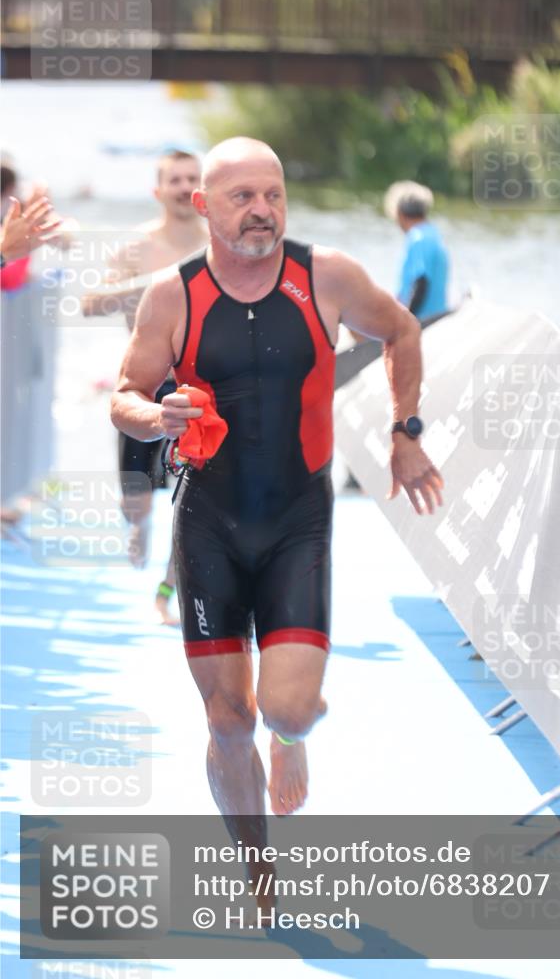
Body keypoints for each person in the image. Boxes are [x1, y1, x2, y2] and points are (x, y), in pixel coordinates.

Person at [110, 137, 444, 820]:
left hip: (297, 520)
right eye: (243, 197)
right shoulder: (172, 295)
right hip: (208, 521)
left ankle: (291, 738)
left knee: (287, 709)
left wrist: (404, 432)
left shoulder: (328, 276)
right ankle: (256, 864)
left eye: (274, 195)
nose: (262, 210)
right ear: (204, 206)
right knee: (229, 721)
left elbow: (402, 330)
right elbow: (124, 397)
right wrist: (158, 416)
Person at [83, 150, 209, 624]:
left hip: (199, 391)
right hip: (144, 389)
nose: (184, 186)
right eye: (175, 179)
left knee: (194, 503)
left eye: (192, 178)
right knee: (137, 500)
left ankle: (165, 594)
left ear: (203, 190)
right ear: (158, 191)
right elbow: (89, 303)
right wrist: (150, 284)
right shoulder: (137, 247)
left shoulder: (218, 244)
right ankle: (138, 521)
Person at [385, 180, 449, 320]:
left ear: (400, 213)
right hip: (437, 316)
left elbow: (421, 282)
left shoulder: (418, 239)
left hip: (424, 320)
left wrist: (406, 321)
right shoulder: (433, 233)